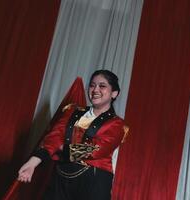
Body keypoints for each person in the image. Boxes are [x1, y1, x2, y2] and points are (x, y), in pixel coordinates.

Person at [17, 70, 129, 200]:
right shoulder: (72, 111)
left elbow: (95, 150)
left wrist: (61, 148)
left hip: (93, 181)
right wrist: (32, 163)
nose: (95, 89)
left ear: (114, 93)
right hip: (61, 176)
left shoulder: (117, 124)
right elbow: (54, 137)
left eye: (102, 86)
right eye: (92, 85)